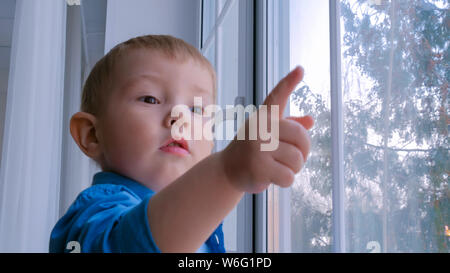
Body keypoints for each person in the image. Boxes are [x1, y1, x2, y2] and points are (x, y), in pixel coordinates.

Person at [49, 34, 314, 253]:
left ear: (210, 141)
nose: (179, 117)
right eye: (150, 99)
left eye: (196, 110)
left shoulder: (206, 228)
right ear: (92, 135)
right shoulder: (93, 213)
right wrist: (227, 172)